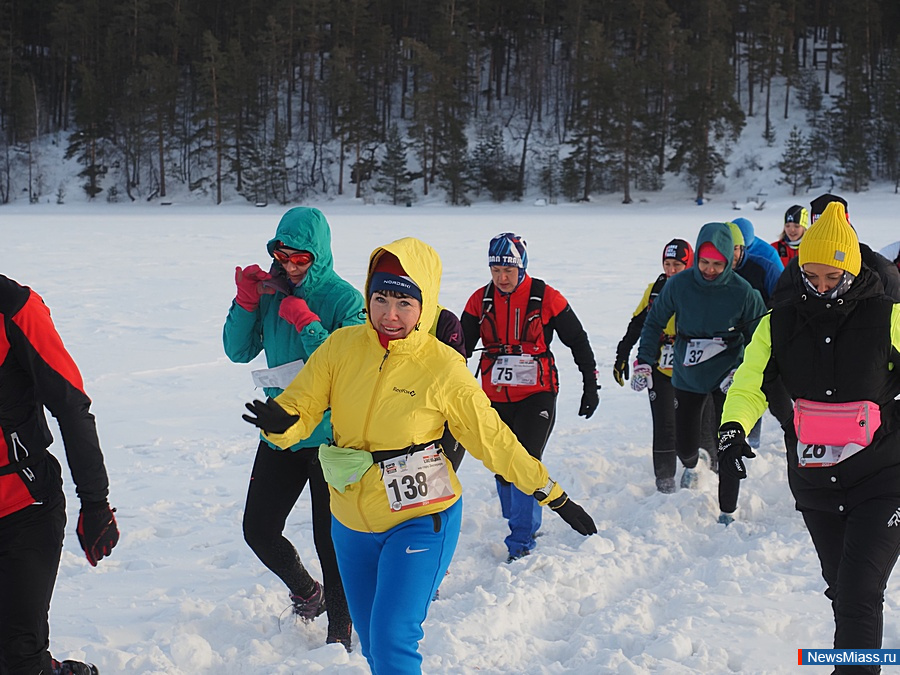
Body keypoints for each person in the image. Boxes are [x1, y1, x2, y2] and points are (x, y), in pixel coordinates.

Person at [242, 237, 596, 675]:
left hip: (420, 518)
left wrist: (553, 494)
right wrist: (283, 423)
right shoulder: (341, 348)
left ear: (424, 305)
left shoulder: (443, 366)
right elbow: (303, 403)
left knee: (392, 642)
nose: (390, 314)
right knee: (372, 642)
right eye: (380, 298)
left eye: (404, 302)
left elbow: (494, 440)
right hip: (350, 522)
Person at [718, 201, 900, 669]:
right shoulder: (777, 322)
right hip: (815, 482)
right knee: (841, 588)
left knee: (860, 592)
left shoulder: (888, 318)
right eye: (811, 277)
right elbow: (750, 381)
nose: (821, 288)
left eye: (832, 278)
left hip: (884, 479)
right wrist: (733, 426)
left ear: (852, 272)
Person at [223, 206, 363, 649]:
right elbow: (237, 351)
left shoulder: (346, 300)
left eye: (301, 259)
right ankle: (307, 591)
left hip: (331, 439)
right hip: (281, 431)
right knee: (258, 530)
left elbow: (351, 374)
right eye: (283, 257)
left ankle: (340, 628)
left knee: (331, 540)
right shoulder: (271, 293)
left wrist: (308, 324)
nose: (290, 266)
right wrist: (246, 302)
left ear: (318, 256)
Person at [0, 274, 119, 675]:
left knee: (19, 656)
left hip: (23, 506)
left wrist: (96, 501)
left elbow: (69, 405)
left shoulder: (13, 307)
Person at [460, 233, 600, 562]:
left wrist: (590, 384)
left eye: (508, 271)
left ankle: (521, 540)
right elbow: (457, 349)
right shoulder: (480, 301)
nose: (502, 278)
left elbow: (578, 340)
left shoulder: (545, 297)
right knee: (502, 465)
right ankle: (523, 521)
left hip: (537, 393)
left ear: (522, 267)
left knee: (525, 459)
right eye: (495, 271)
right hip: (494, 395)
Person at [634, 223, 766, 524]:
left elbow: (761, 335)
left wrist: (741, 368)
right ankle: (693, 465)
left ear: (729, 261)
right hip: (688, 374)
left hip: (727, 377)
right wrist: (644, 360)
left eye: (717, 264)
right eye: (704, 263)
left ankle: (728, 511)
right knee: (685, 444)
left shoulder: (743, 292)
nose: (709, 270)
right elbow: (653, 322)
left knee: (728, 445)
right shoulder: (679, 285)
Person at [614, 238, 698, 493]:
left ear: (689, 265)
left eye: (677, 265)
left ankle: (698, 468)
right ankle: (664, 481)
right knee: (664, 423)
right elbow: (638, 323)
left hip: (693, 368)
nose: (671, 270)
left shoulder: (699, 289)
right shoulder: (654, 289)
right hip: (660, 366)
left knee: (692, 422)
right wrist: (622, 354)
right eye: (667, 264)